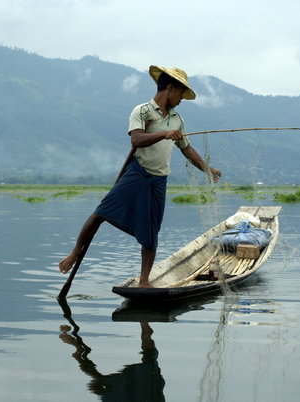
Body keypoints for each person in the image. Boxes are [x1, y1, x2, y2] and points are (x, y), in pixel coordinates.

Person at [59, 65, 221, 287]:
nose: (182, 98)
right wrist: (163, 133)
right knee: (101, 212)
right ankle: (76, 252)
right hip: (137, 172)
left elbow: (186, 149)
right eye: (181, 92)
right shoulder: (143, 111)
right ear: (170, 88)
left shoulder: (177, 120)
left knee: (151, 232)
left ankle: (144, 280)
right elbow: (136, 140)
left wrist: (207, 169)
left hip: (158, 180)